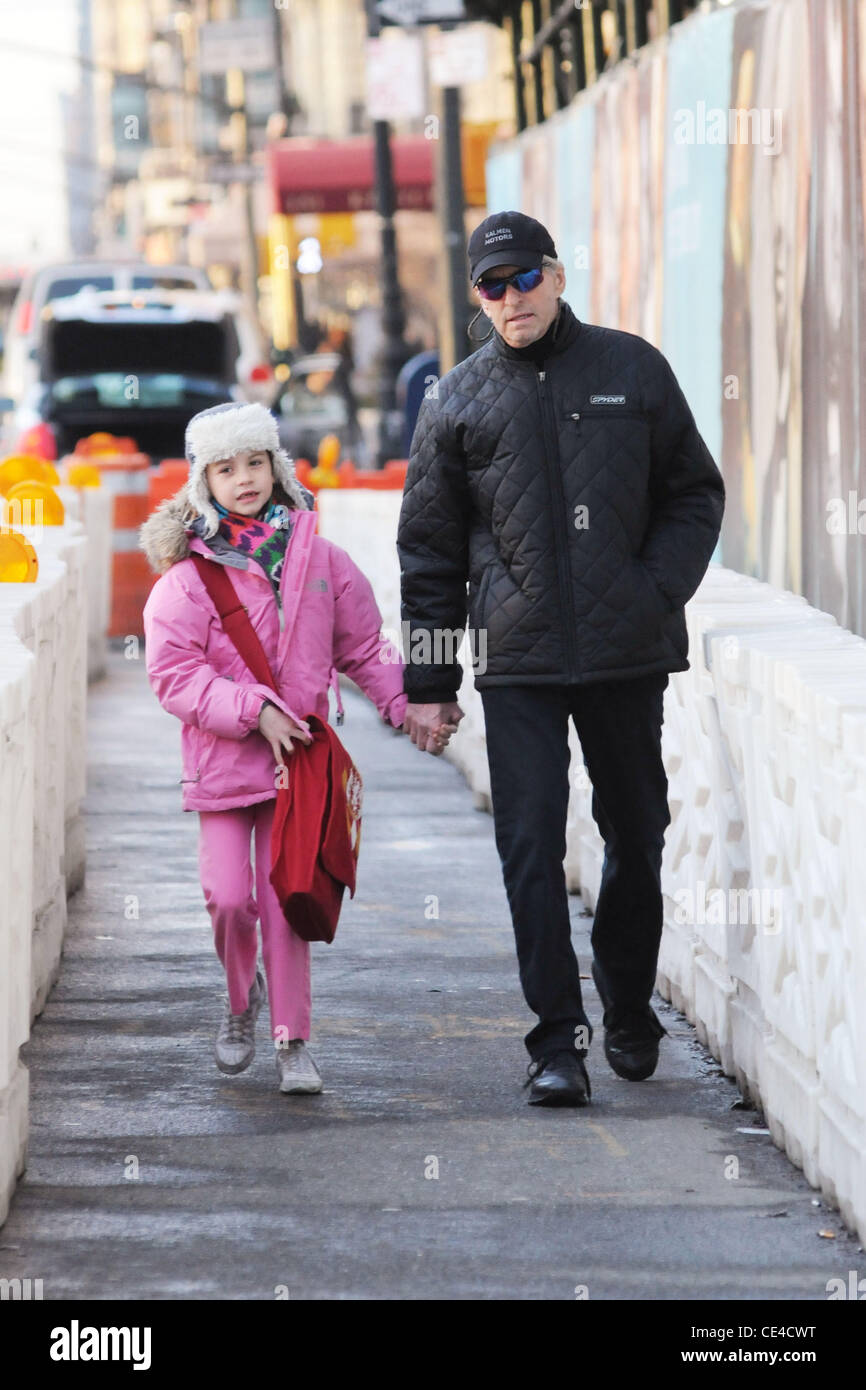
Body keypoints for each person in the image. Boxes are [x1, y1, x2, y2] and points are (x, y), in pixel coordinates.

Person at [398, 211, 725, 1108]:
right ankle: (555, 1041)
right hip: (519, 669)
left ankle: (626, 1003)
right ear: (476, 298)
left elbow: (694, 493)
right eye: (490, 287)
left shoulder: (632, 369)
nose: (510, 299)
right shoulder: (455, 401)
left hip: (627, 656)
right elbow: (426, 554)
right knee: (531, 847)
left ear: (557, 275)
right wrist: (429, 683)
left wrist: (654, 588)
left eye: (523, 279)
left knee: (638, 835)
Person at [139, 402, 408, 1096]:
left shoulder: (321, 559)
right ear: (204, 482)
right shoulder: (185, 580)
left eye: (255, 462)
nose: (245, 479)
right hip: (225, 764)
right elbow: (174, 675)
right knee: (229, 899)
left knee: (285, 897)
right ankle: (239, 1003)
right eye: (225, 469)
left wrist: (406, 707)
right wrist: (254, 711)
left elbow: (362, 646)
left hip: (299, 770)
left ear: (276, 467)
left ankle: (294, 1040)